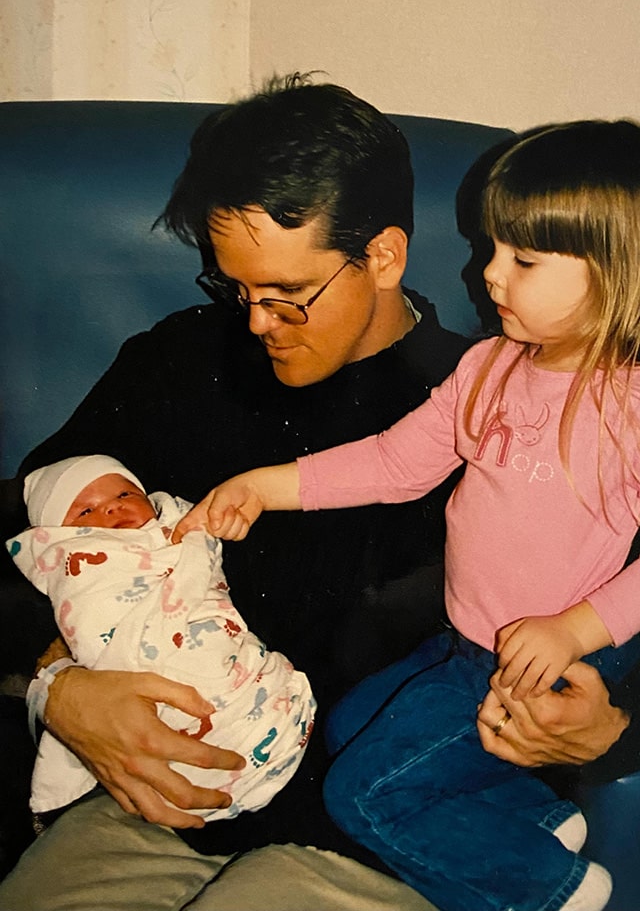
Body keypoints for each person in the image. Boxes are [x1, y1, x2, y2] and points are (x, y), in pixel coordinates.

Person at [0, 79, 635, 911]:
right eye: (237, 289)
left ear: (382, 257)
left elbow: (608, 605)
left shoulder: (494, 400)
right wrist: (59, 686)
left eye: (288, 295)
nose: (258, 323)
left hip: (384, 832)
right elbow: (25, 526)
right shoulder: (181, 358)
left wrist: (612, 738)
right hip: (151, 798)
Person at [180, 119, 640, 911]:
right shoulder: (490, 368)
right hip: (470, 641)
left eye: (524, 260)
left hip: (557, 659)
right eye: (493, 248)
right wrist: (266, 483)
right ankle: (537, 822)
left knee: (360, 794)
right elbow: (394, 463)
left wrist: (576, 630)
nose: (489, 274)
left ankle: (553, 891)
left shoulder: (628, 405)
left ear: (618, 270)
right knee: (350, 724)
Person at [8, 453, 314, 821]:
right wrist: (56, 684)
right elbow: (83, 609)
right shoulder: (77, 558)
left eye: (124, 496)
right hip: (135, 709)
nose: (109, 511)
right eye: (84, 513)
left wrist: (195, 543)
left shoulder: (174, 527)